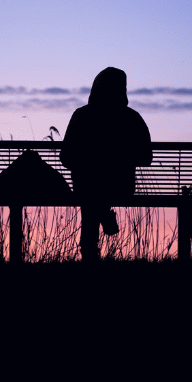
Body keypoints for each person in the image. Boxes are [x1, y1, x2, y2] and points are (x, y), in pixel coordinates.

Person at [60, 67, 152, 262]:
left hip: (86, 186)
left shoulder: (82, 115)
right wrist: (120, 157)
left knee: (90, 195)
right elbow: (146, 157)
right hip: (121, 186)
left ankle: (90, 253)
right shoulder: (131, 117)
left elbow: (66, 157)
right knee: (94, 194)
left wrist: (89, 161)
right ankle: (103, 213)